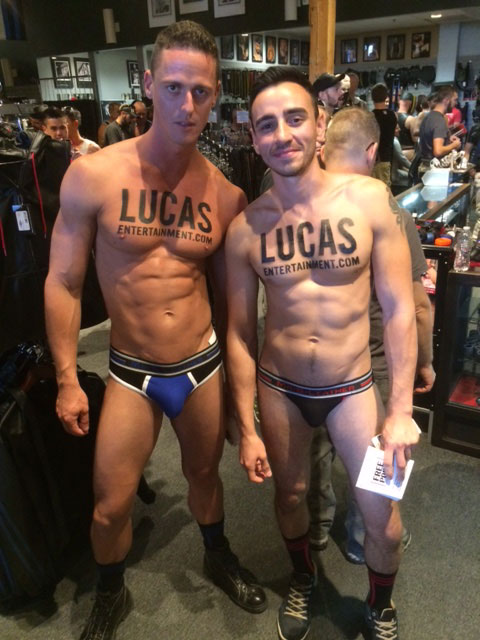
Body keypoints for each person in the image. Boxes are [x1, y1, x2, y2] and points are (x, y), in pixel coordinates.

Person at [44, 20, 266, 640]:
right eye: (173, 87)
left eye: (200, 91)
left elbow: (236, 310)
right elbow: (62, 282)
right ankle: (110, 593)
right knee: (109, 505)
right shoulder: (94, 175)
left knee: (205, 477)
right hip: (130, 372)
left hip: (200, 366)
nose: (186, 104)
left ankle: (218, 555)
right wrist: (67, 377)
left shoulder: (226, 196)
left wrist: (242, 404)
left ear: (215, 95)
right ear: (148, 84)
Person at [226, 67, 418, 640]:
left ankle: (380, 605)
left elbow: (400, 308)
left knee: (383, 519)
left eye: (294, 118)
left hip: (353, 388)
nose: (282, 134)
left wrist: (401, 408)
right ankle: (303, 577)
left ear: (319, 123)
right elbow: (239, 332)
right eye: (266, 125)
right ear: (253, 137)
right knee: (290, 496)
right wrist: (246, 426)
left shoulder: (369, 199)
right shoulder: (246, 229)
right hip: (280, 387)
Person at [308, 107, 434, 564]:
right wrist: (425, 361)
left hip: (312, 363)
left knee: (316, 447)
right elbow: (416, 306)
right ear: (372, 151)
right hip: (373, 358)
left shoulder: (298, 204)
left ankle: (316, 527)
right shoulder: (390, 210)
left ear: (324, 149)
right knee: (382, 452)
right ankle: (364, 537)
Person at [418, 85, 461, 162]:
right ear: (446, 100)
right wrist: (454, 145)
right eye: (455, 100)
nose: (456, 103)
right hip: (434, 166)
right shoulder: (439, 120)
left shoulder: (429, 117)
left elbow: (430, 140)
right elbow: (438, 151)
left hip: (425, 163)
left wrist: (447, 139)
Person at [371, 83, 397, 186]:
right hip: (387, 156)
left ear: (372, 98)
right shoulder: (392, 115)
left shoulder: (370, 116)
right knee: (385, 187)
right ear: (386, 96)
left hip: (374, 158)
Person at [396, 92, 416, 160]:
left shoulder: (392, 115)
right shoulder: (411, 119)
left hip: (394, 152)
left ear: (399, 102)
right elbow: (415, 139)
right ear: (410, 103)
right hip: (408, 152)